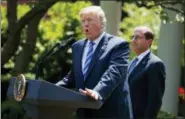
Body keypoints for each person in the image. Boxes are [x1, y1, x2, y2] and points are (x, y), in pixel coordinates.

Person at [56, 6, 131, 118]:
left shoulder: (118, 45)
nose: (85, 24)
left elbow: (114, 72)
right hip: (84, 112)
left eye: (90, 20)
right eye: (83, 21)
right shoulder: (77, 46)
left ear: (102, 23)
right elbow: (73, 77)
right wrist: (51, 88)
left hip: (110, 111)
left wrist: (98, 91)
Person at [128, 26, 166, 119]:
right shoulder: (131, 62)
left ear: (149, 42)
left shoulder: (155, 64)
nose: (133, 40)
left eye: (137, 37)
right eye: (132, 37)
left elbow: (155, 100)